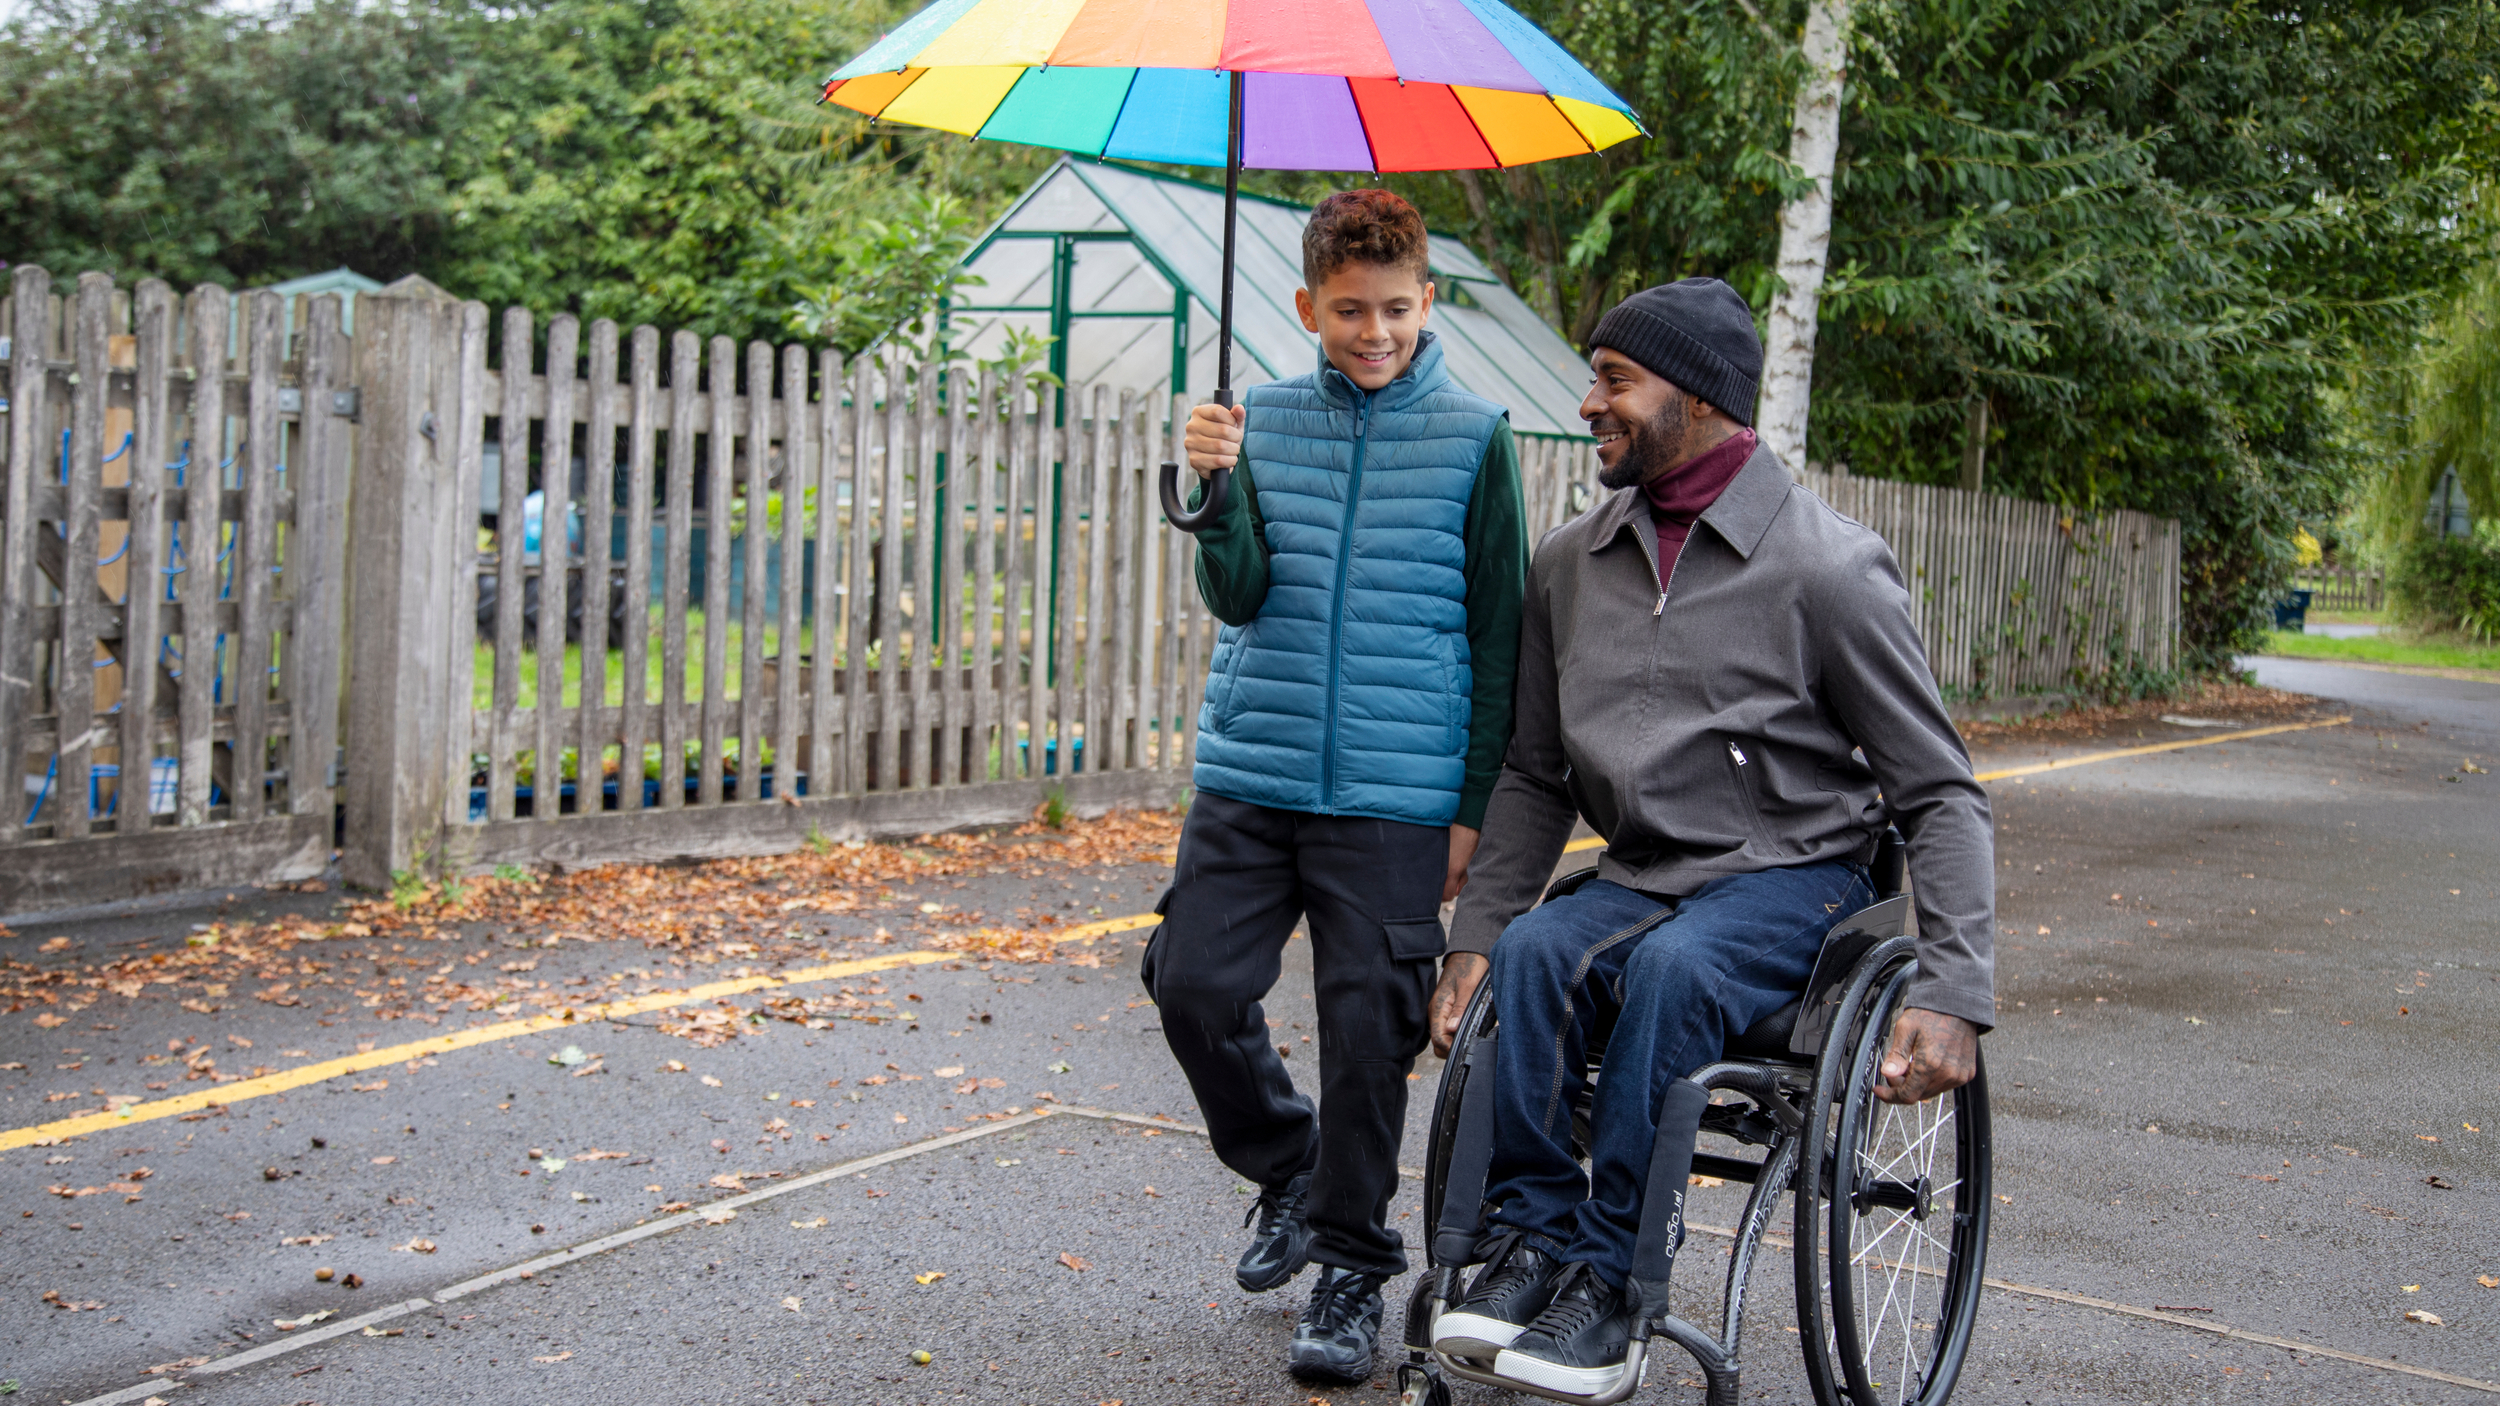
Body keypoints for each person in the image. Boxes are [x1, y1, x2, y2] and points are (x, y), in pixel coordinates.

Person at [1423, 278, 1996, 1397]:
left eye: (1613, 378)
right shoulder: (1569, 562)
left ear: (1697, 395)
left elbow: (1938, 791)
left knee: (1678, 970)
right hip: (1646, 870)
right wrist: (1476, 932)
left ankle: (1613, 1288)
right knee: (1539, 953)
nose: (1588, 400)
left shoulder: (1826, 569)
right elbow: (1535, 773)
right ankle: (1531, 1241)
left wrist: (1954, 987)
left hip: (1798, 878)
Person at [1140, 189, 1529, 1385]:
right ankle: (1291, 1169)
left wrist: (1472, 807)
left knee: (1372, 1033)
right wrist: (1214, 493)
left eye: (1397, 308)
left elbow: (1501, 630)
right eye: (1350, 310)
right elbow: (1240, 592)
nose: (1375, 331)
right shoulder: (1250, 419)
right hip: (1254, 770)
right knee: (1191, 979)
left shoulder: (1476, 433)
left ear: (1428, 300)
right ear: (1308, 306)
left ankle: (1354, 1263)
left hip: (1397, 793)